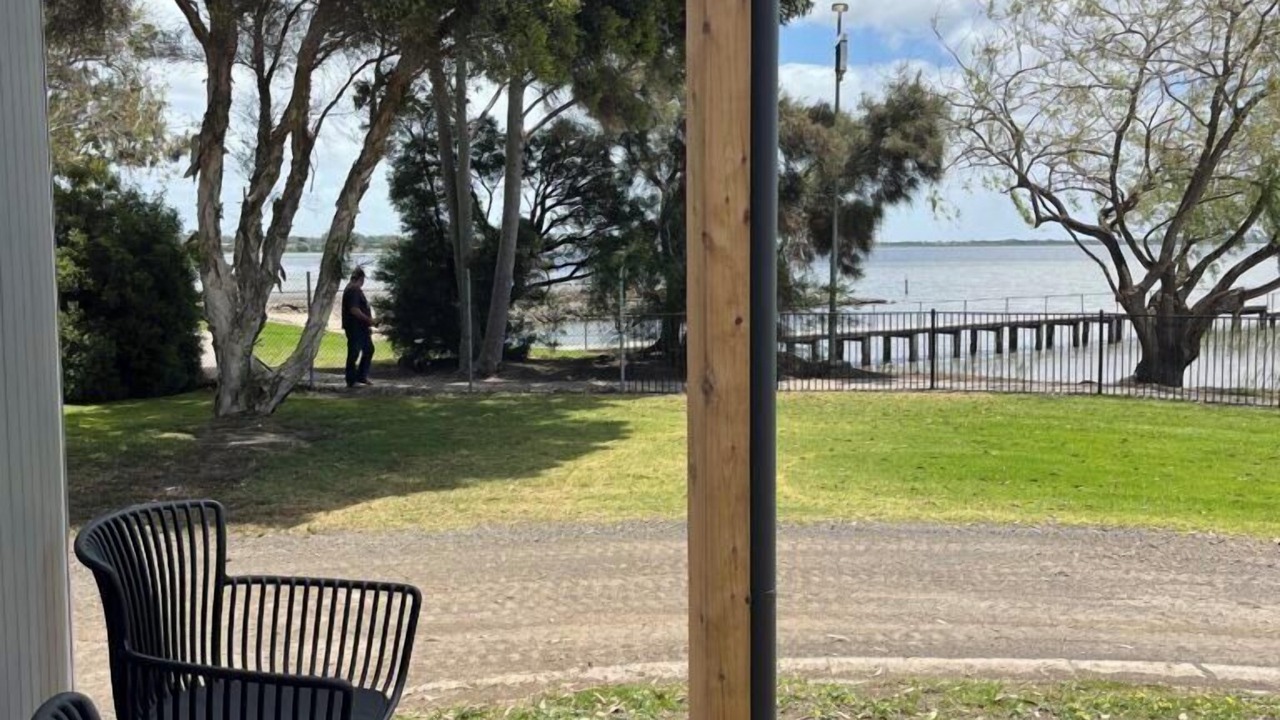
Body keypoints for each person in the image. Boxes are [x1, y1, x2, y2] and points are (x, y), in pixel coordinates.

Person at [341, 267, 375, 388]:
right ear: (361, 279)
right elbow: (354, 310)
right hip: (355, 327)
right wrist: (368, 320)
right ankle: (351, 379)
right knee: (354, 352)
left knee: (369, 349)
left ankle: (361, 376)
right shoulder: (353, 290)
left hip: (362, 327)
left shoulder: (353, 289)